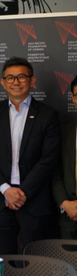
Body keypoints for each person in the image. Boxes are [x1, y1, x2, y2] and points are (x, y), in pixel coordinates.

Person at [0, 57, 60, 253]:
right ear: (2, 82)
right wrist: (6, 190)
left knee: (36, 261)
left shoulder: (47, 115)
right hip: (1, 200)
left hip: (33, 200)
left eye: (21, 77)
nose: (15, 82)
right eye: (10, 78)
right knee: (3, 260)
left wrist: (21, 192)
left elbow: (48, 159)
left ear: (32, 81)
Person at [53, 75, 77, 240]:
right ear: (73, 99)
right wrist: (64, 203)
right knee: (68, 266)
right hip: (69, 219)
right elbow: (55, 173)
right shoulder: (65, 132)